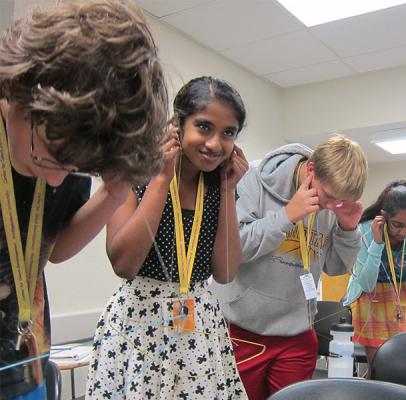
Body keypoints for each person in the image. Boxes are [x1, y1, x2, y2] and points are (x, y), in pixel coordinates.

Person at [0, 1, 168, 399]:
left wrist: (115, 190)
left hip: (24, 362)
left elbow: (53, 250)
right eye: (49, 156)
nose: (58, 177)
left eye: (76, 169)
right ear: (20, 93)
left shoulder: (73, 143)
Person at [86, 77, 249, 399]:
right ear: (177, 125)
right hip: (139, 323)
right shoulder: (137, 174)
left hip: (198, 327)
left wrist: (228, 190)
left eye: (228, 133)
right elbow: (123, 264)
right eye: (204, 127)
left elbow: (226, 272)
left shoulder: (218, 187)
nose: (215, 144)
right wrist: (162, 177)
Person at [211, 134, 367, 399]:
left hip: (297, 334)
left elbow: (334, 267)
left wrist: (347, 229)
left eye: (338, 202)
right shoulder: (254, 178)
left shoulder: (333, 206)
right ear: (310, 170)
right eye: (327, 197)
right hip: (242, 330)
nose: (329, 207)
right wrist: (286, 216)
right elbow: (233, 250)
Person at [344, 180, 406, 372]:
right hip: (370, 299)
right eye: (397, 225)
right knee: (380, 368)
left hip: (402, 297)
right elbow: (366, 284)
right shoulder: (366, 230)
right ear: (384, 218)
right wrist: (377, 244)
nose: (404, 232)